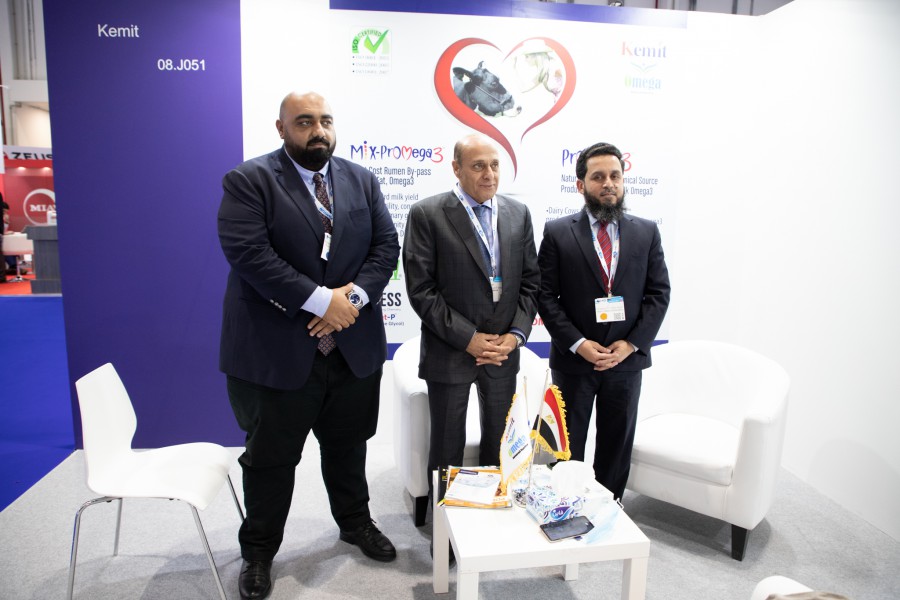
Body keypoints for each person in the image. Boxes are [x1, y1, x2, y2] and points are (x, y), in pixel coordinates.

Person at [217, 91, 400, 600]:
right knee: (270, 460)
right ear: (281, 128)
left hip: (352, 346)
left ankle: (355, 523)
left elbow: (386, 246)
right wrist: (321, 302)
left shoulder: (360, 179)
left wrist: (351, 301)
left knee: (348, 446)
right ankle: (258, 552)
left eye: (325, 120)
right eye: (304, 122)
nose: (318, 130)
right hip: (275, 351)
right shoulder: (249, 180)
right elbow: (248, 253)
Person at [403, 133, 540, 496]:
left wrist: (515, 336)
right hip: (450, 351)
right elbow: (421, 290)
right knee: (447, 447)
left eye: (494, 165)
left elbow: (531, 282)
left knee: (501, 444)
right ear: (456, 168)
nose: (489, 174)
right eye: (478, 166)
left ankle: (495, 517)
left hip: (503, 352)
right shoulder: (427, 214)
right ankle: (444, 525)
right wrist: (469, 339)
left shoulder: (518, 214)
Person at [537, 141, 670, 501]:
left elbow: (659, 293)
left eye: (615, 175)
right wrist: (579, 344)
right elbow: (545, 296)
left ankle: (610, 509)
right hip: (574, 361)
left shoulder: (646, 231)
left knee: (616, 444)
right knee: (566, 446)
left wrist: (631, 344)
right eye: (598, 177)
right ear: (581, 185)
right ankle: (564, 507)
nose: (608, 183)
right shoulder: (558, 232)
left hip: (625, 362)